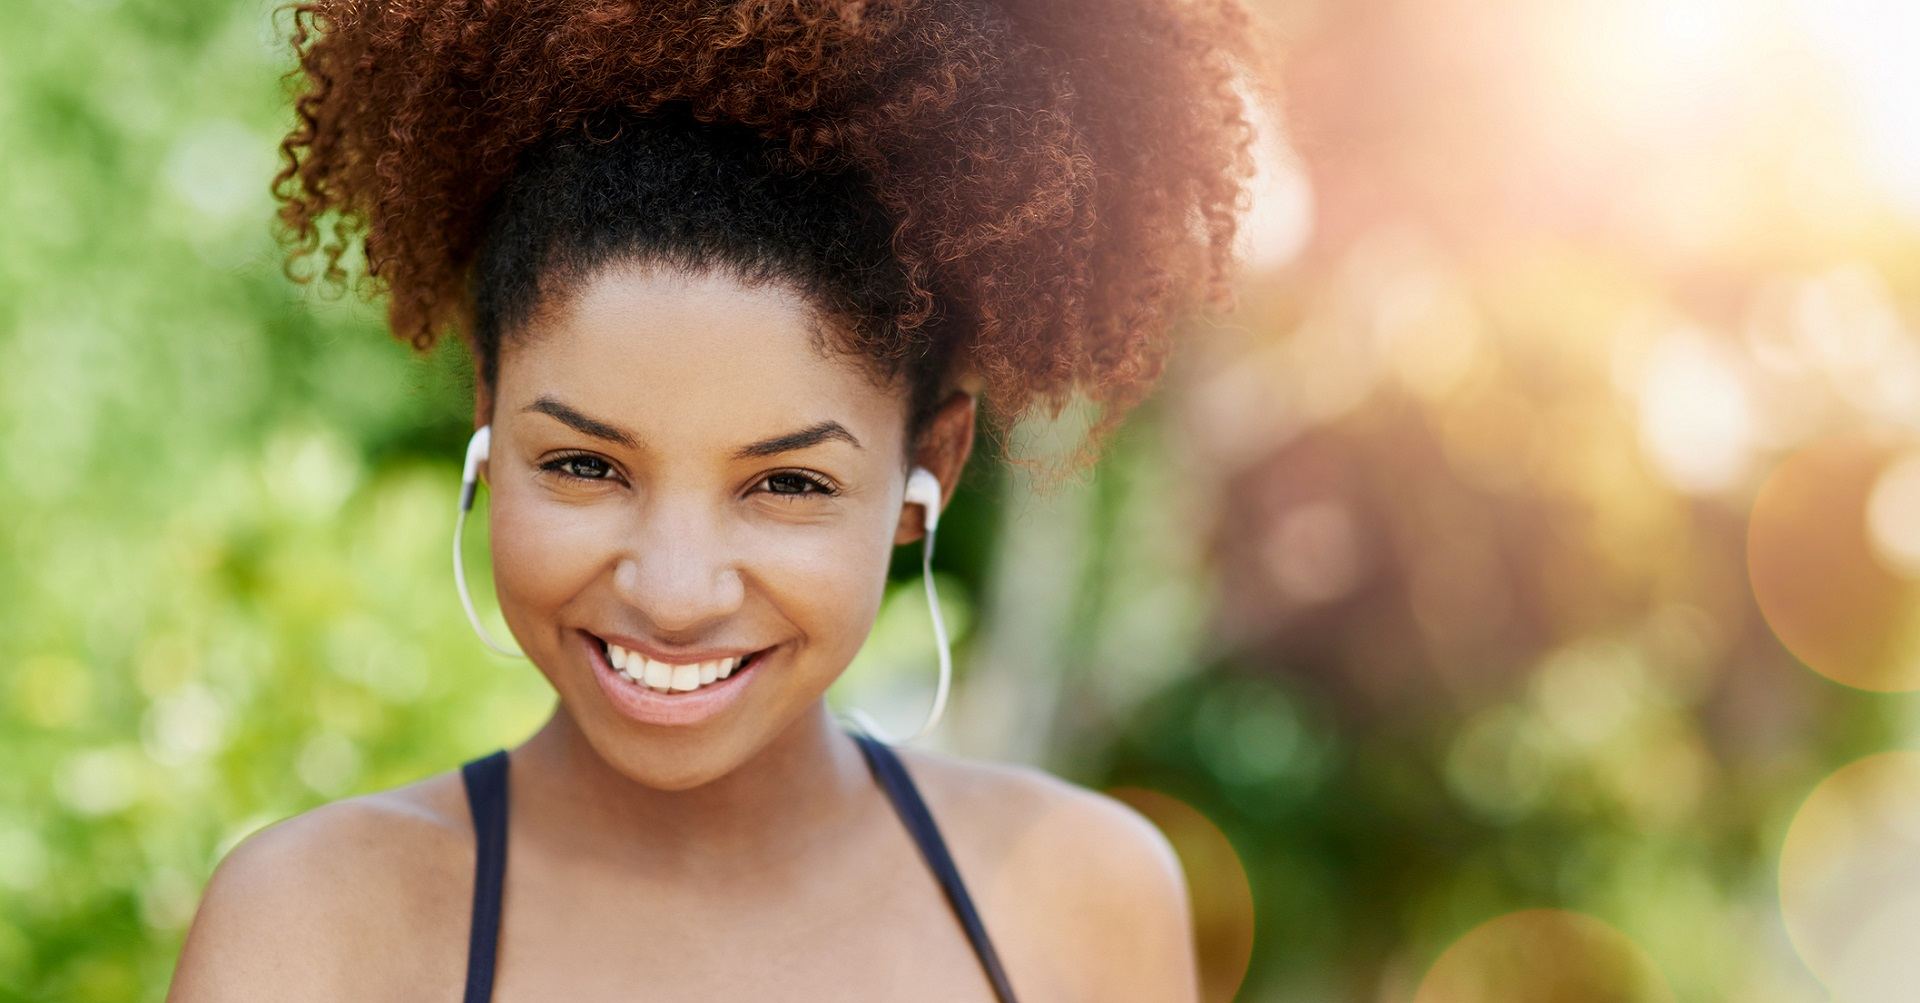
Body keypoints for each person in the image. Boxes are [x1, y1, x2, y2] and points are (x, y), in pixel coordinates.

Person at [168, 0, 1262, 999]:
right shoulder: (312, 933)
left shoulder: (1083, 900)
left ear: (931, 467)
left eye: (787, 482)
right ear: (488, 419)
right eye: (586, 465)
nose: (676, 590)